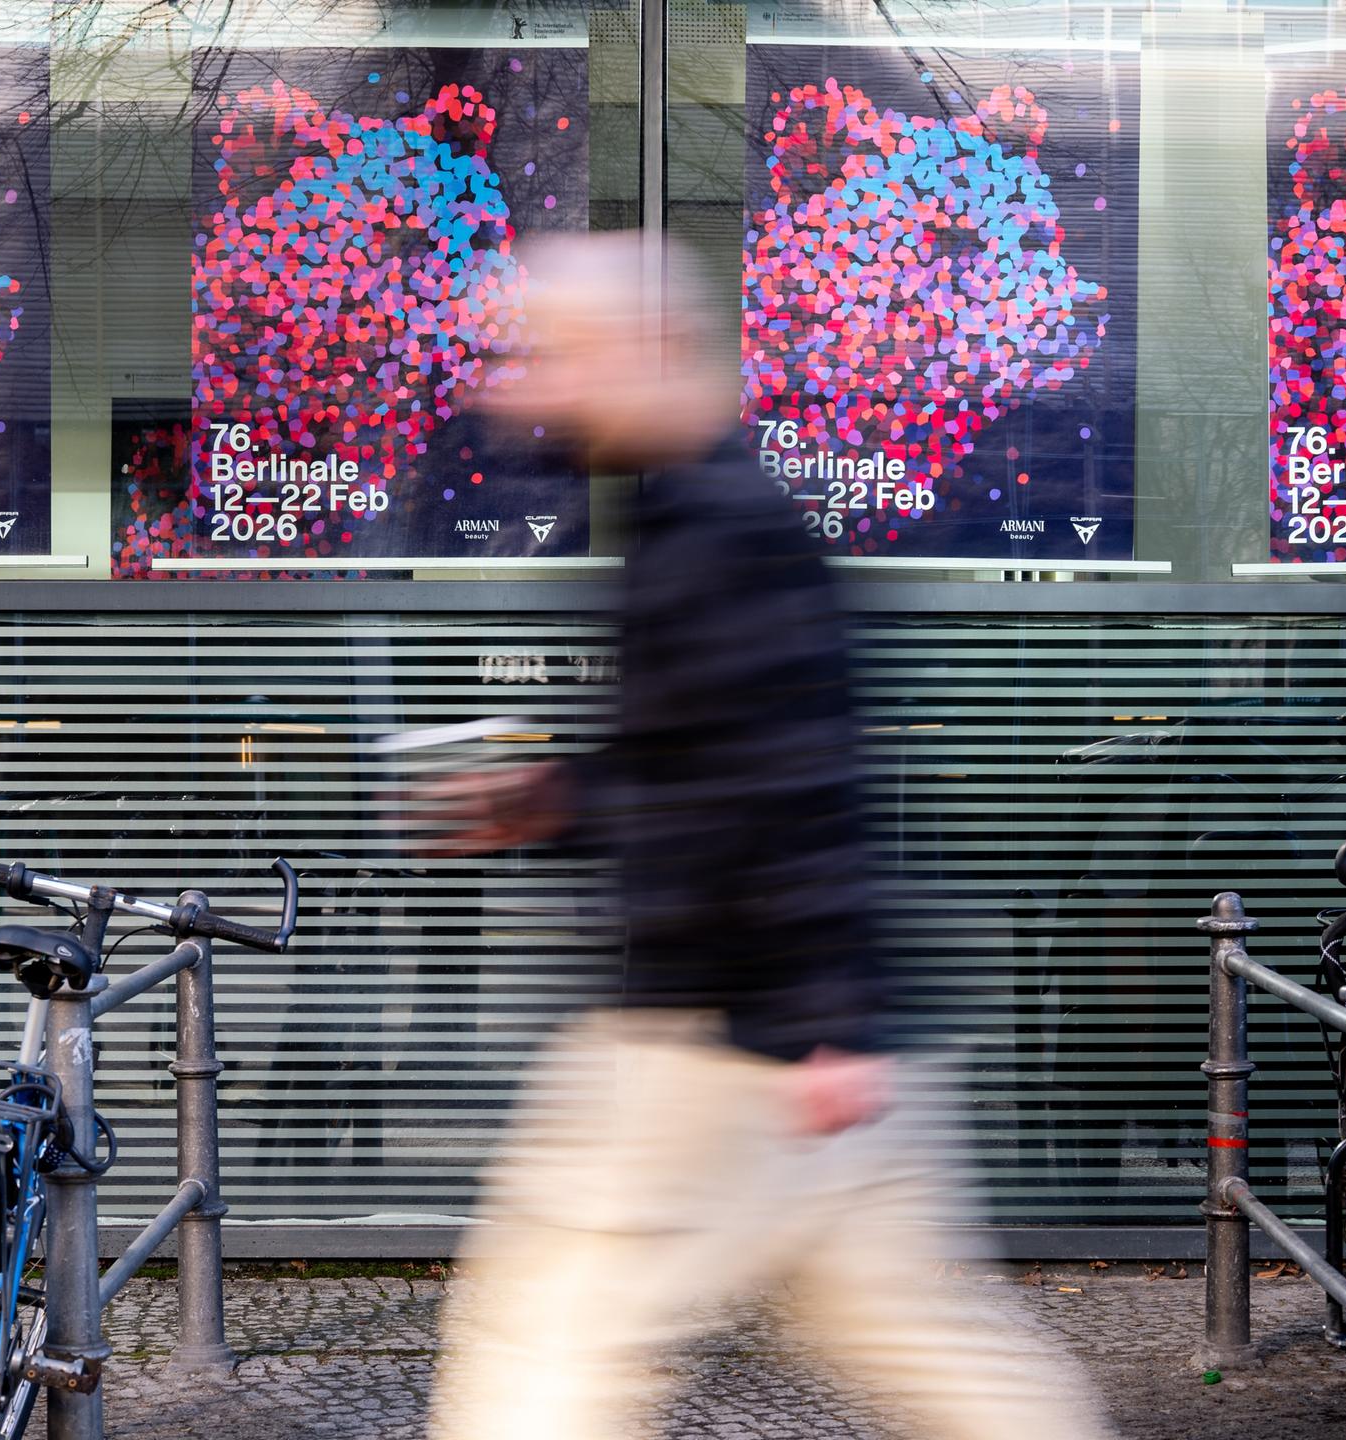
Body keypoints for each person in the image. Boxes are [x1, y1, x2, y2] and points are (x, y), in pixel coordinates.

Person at [421, 233, 1117, 1440]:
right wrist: (558, 800)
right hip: (790, 1036)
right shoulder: (693, 518)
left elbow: (795, 779)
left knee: (549, 1337)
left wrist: (823, 1022)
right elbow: (707, 768)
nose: (517, 387)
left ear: (639, 356)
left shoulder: (716, 532)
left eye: (549, 356)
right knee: (914, 1333)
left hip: (721, 1040)